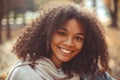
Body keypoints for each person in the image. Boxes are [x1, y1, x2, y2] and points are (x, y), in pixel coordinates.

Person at [6, 3, 115, 80]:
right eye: (62, 33)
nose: (69, 43)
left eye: (78, 38)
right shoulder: (25, 73)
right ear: (47, 33)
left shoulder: (90, 72)